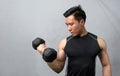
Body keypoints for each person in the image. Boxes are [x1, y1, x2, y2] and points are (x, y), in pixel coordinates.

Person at [36, 5, 112, 76]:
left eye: (71, 24)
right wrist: (45, 54)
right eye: (67, 25)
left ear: (82, 22)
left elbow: (106, 65)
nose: (68, 28)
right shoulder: (64, 43)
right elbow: (58, 68)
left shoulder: (98, 42)